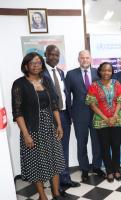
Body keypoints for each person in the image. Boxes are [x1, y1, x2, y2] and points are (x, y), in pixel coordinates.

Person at [11, 52, 65, 200]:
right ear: (26, 66)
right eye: (33, 63)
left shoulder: (46, 80)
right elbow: (17, 112)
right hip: (32, 130)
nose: (36, 66)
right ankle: (42, 196)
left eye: (39, 63)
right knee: (36, 163)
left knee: (55, 160)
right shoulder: (19, 84)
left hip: (50, 127)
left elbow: (54, 105)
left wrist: (59, 125)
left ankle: (56, 193)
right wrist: (26, 134)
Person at [42, 45, 80, 190]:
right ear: (45, 55)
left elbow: (64, 94)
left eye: (57, 55)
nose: (54, 57)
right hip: (50, 117)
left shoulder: (60, 72)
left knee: (63, 149)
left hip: (64, 115)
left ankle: (65, 179)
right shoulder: (41, 73)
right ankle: (56, 187)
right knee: (53, 152)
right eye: (51, 54)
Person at [65, 50, 105, 182]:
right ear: (78, 59)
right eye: (82, 58)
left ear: (91, 59)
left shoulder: (98, 73)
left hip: (97, 114)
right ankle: (84, 169)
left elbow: (103, 93)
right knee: (82, 143)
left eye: (87, 57)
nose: (85, 60)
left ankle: (97, 167)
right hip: (79, 115)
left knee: (97, 142)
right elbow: (67, 96)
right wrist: (71, 114)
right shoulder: (71, 74)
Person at [86, 62, 121, 182]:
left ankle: (116, 170)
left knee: (116, 146)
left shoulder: (116, 83)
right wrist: (105, 118)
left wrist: (114, 116)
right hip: (101, 120)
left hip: (117, 120)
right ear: (100, 71)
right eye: (104, 70)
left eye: (109, 70)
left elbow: (120, 101)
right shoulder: (94, 85)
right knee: (104, 147)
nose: (106, 73)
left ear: (112, 72)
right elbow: (92, 105)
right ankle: (109, 171)